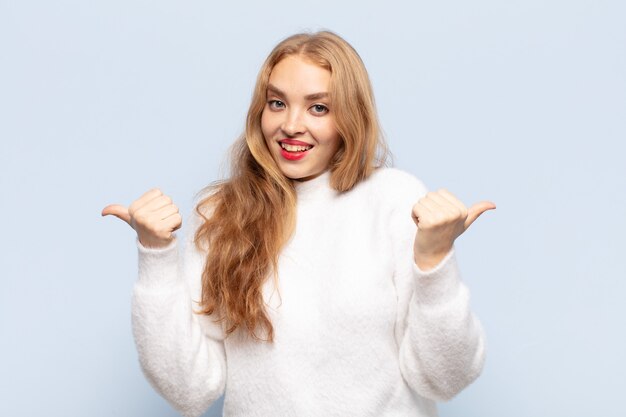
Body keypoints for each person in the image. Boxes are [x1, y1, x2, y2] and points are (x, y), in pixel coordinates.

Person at [102, 30, 495, 417]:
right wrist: (155, 256)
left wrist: (435, 260)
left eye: (318, 107)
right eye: (276, 103)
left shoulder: (394, 199)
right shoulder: (221, 214)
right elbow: (190, 390)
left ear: (349, 116)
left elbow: (445, 380)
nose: (291, 125)